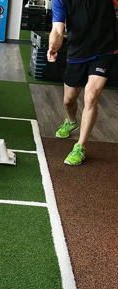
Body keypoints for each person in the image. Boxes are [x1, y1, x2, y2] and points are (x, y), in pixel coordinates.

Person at [47, 0, 118, 165]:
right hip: (77, 52)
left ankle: (80, 145)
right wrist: (53, 46)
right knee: (69, 99)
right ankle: (71, 121)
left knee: (91, 96)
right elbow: (58, 29)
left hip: (104, 50)